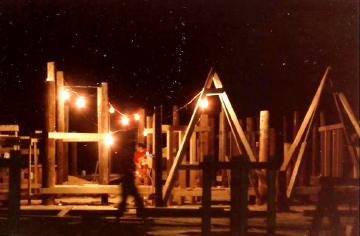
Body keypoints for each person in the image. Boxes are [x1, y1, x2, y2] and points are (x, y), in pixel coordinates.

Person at [117, 143, 144, 218]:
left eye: (137, 147)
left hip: (143, 170)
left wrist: (144, 158)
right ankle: (141, 212)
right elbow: (134, 162)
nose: (136, 148)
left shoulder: (145, 152)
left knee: (127, 197)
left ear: (140, 147)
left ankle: (120, 213)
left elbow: (151, 156)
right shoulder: (135, 154)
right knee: (134, 196)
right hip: (134, 173)